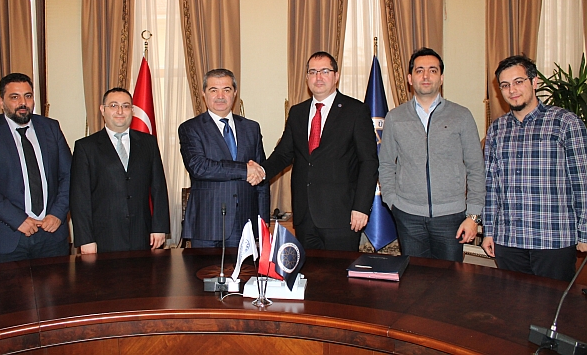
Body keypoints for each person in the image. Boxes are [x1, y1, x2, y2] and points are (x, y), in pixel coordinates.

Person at [259, 51, 378, 252]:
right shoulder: (297, 113)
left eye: (325, 71)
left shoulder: (355, 111)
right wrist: (261, 171)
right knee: (309, 277)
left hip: (342, 215)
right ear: (307, 78)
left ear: (336, 76)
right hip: (305, 216)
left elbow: (368, 162)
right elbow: (283, 154)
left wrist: (361, 207)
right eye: (313, 72)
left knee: (339, 280)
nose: (318, 77)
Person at [481, 55, 587, 281]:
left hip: (553, 240)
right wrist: (488, 231)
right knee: (515, 309)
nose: (512, 90)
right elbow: (490, 186)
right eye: (505, 85)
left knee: (552, 309)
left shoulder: (566, 123)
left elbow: (583, 182)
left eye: (519, 82)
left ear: (534, 82)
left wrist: (585, 231)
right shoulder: (496, 130)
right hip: (508, 241)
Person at [379, 47, 485, 262]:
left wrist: (473, 215)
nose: (426, 76)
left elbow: (476, 167)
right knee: (414, 283)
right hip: (408, 216)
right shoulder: (395, 117)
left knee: (449, 284)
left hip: (451, 217)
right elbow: (386, 164)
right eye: (419, 70)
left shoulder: (461, 116)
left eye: (432, 70)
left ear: (441, 77)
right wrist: (392, 201)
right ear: (410, 78)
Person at [0, 73, 72, 264]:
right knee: (7, 295)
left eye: (28, 96)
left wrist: (57, 213)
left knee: (58, 294)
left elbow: (70, 175)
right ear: (1, 101)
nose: (23, 102)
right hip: (6, 237)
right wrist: (18, 220)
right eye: (15, 97)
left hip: (51, 237)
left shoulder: (51, 127)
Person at [70, 87, 170, 253]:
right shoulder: (86, 147)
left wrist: (159, 227)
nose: (120, 111)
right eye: (114, 105)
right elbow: (80, 197)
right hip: (103, 237)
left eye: (125, 106)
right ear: (103, 110)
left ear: (132, 110)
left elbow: (159, 188)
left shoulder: (148, 143)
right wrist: (85, 239)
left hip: (142, 234)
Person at [178, 69, 269, 248]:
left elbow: (261, 175)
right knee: (203, 275)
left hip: (245, 223)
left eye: (226, 90)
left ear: (234, 93)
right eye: (213, 90)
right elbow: (199, 167)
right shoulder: (190, 128)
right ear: (204, 94)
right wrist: (244, 170)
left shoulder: (251, 128)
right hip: (207, 224)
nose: (220, 96)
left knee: (244, 276)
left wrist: (263, 220)